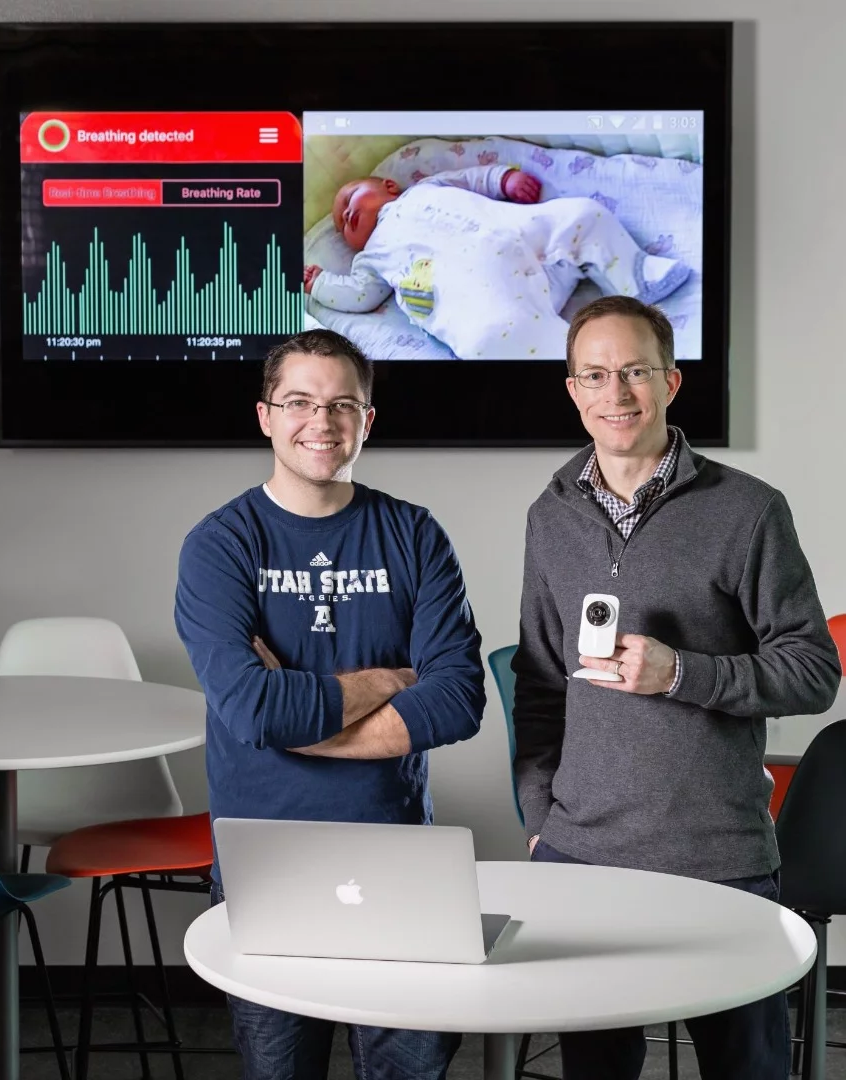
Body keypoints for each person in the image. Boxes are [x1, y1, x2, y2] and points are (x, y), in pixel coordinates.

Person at [511, 294, 841, 1080]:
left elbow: (812, 670)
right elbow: (539, 682)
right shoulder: (548, 515)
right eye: (595, 375)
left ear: (669, 382)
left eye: (633, 372)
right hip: (582, 856)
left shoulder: (748, 511)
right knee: (595, 1071)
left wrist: (680, 673)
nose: (615, 392)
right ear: (572, 391)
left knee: (744, 1072)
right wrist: (538, 817)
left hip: (717, 855)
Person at [175, 328, 484, 1080]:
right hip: (266, 856)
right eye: (300, 402)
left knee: (410, 1070)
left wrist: (299, 719)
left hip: (397, 852)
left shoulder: (412, 534)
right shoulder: (220, 545)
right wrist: (387, 679)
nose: (323, 421)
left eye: (343, 404)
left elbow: (458, 700)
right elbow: (252, 711)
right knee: (280, 1071)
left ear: (367, 422)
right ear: (265, 417)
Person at [304, 166, 689, 360]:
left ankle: (636, 278)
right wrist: (320, 282)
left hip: (529, 238)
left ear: (388, 185)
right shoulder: (373, 256)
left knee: (582, 215)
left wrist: (504, 179)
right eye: (341, 223)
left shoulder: (424, 189)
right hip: (492, 300)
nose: (346, 214)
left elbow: (471, 178)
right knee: (492, 337)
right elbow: (359, 295)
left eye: (351, 196)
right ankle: (590, 361)